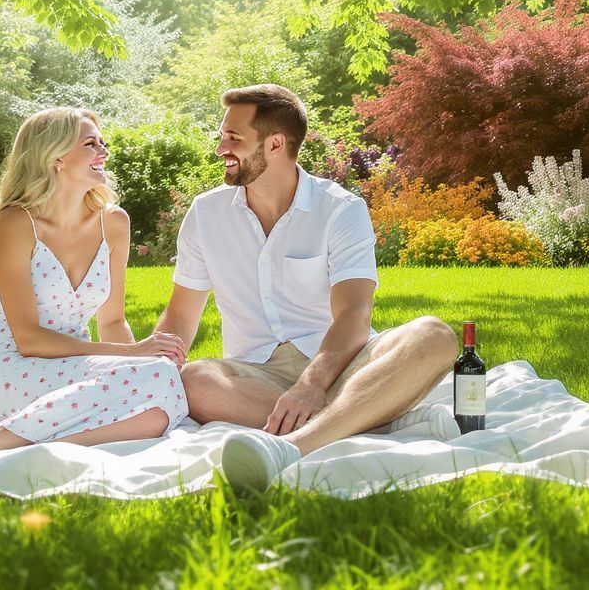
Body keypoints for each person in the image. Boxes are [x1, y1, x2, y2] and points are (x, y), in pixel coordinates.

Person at [152, 85, 458, 489]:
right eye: (222, 135)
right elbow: (180, 315)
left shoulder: (340, 210)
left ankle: (293, 445)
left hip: (342, 364)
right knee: (193, 378)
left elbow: (354, 315)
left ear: (276, 143)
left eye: (234, 137)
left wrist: (312, 386)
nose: (220, 148)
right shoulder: (206, 214)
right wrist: (149, 370)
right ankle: (380, 418)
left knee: (434, 335)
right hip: (254, 375)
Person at [0, 107, 188, 450]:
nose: (103, 151)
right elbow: (29, 339)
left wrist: (139, 357)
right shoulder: (16, 222)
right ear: (56, 156)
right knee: (155, 380)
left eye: (102, 142)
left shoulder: (114, 223)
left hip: (75, 367)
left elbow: (114, 320)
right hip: (10, 370)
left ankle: (20, 442)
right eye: (91, 143)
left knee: (158, 401)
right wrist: (133, 353)